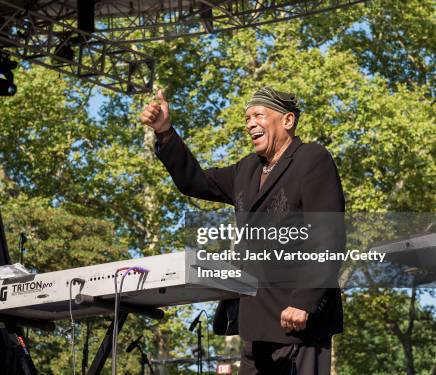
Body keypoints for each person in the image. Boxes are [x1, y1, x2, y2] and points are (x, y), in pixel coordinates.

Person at [140, 87, 344, 374]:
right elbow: (194, 181)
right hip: (254, 321)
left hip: (299, 320)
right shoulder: (247, 169)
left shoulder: (312, 159)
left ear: (287, 120)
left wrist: (304, 301)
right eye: (247, 118)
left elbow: (329, 236)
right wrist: (165, 132)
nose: (250, 123)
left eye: (258, 115)